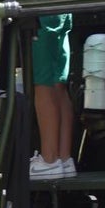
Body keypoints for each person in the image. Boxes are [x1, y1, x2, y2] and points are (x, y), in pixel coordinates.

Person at [29, 13, 77, 179]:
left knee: (43, 83)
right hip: (60, 13)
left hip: (42, 14)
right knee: (58, 85)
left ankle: (49, 161)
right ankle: (64, 159)